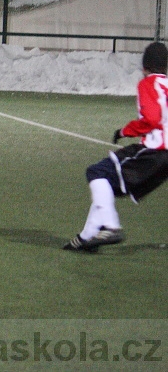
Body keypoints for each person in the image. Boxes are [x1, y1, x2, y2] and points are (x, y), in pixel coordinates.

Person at [64, 42, 168, 252]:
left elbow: (152, 119)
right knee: (107, 183)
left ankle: (111, 226)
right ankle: (87, 236)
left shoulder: (147, 83)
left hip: (156, 151)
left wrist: (124, 131)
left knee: (97, 172)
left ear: (145, 66)